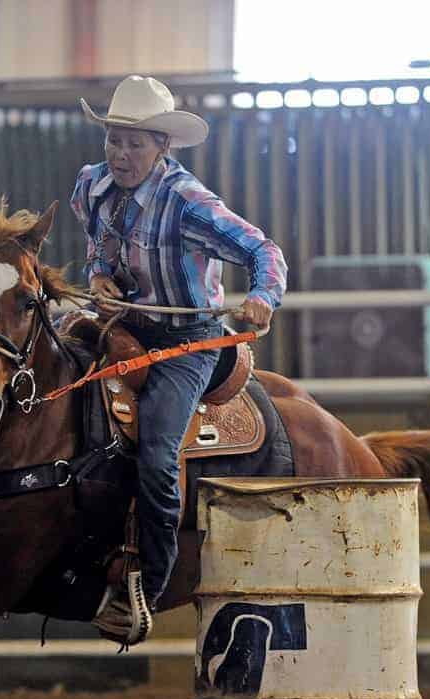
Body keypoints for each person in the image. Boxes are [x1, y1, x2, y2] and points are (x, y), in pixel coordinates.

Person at [71, 74, 288, 645]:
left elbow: (263, 250)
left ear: (162, 146)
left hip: (185, 341)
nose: (120, 154)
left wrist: (263, 298)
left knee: (158, 449)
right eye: (114, 140)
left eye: (134, 143)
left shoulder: (188, 202)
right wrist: (98, 275)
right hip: (123, 325)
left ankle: (151, 581)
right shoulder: (90, 185)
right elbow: (96, 245)